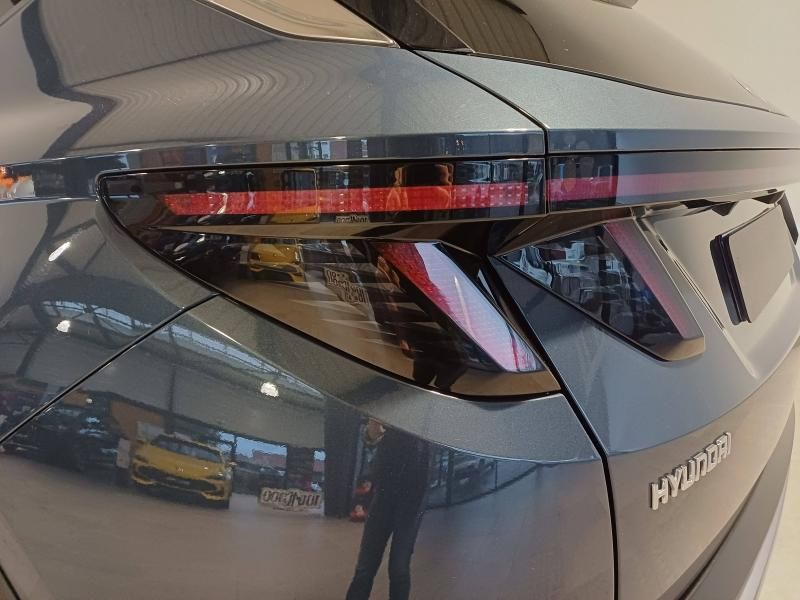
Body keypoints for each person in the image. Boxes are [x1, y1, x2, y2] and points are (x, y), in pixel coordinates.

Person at [346, 420, 430, 600]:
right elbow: (370, 437)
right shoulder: (393, 413)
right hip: (384, 494)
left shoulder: (429, 420)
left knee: (398, 568)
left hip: (412, 500)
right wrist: (373, 429)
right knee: (366, 567)